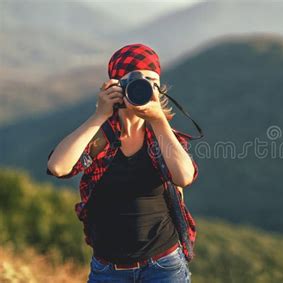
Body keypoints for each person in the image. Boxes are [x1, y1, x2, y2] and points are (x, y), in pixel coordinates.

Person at [46, 43, 197, 282]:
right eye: (134, 80)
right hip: (108, 269)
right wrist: (100, 114)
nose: (143, 85)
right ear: (115, 86)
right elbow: (58, 167)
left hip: (164, 265)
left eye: (151, 80)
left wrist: (158, 120)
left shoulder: (164, 136)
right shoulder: (100, 137)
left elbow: (184, 177)